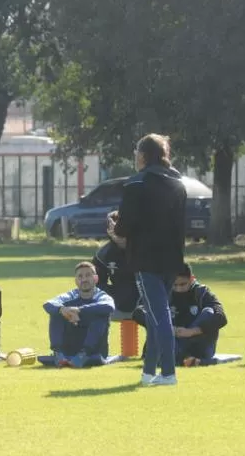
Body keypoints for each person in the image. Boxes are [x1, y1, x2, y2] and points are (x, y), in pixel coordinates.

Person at [113, 133, 187, 387]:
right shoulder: (178, 182)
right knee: (157, 313)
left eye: (136, 152)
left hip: (146, 258)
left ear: (143, 155)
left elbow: (125, 226)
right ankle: (148, 372)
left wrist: (116, 227)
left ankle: (168, 372)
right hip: (172, 258)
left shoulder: (137, 182)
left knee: (159, 315)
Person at [42, 261, 116, 368]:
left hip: (94, 350)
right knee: (56, 312)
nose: (84, 279)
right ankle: (58, 353)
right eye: (80, 276)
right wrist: (63, 310)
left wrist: (78, 310)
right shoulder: (70, 295)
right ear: (76, 281)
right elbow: (48, 304)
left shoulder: (101, 295)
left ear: (95, 279)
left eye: (88, 275)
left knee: (101, 314)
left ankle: (84, 354)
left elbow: (109, 306)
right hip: (71, 347)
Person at [169, 263, 227, 367]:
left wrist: (192, 331)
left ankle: (187, 359)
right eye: (175, 285)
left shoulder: (202, 292)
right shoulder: (165, 293)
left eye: (183, 284)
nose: (178, 289)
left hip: (200, 343)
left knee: (209, 311)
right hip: (176, 341)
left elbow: (221, 317)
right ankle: (191, 360)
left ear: (192, 279)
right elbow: (140, 312)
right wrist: (169, 329)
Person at [94, 210, 138, 314]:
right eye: (113, 229)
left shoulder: (143, 249)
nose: (119, 234)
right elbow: (97, 283)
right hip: (117, 296)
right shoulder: (103, 254)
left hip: (144, 295)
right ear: (108, 230)